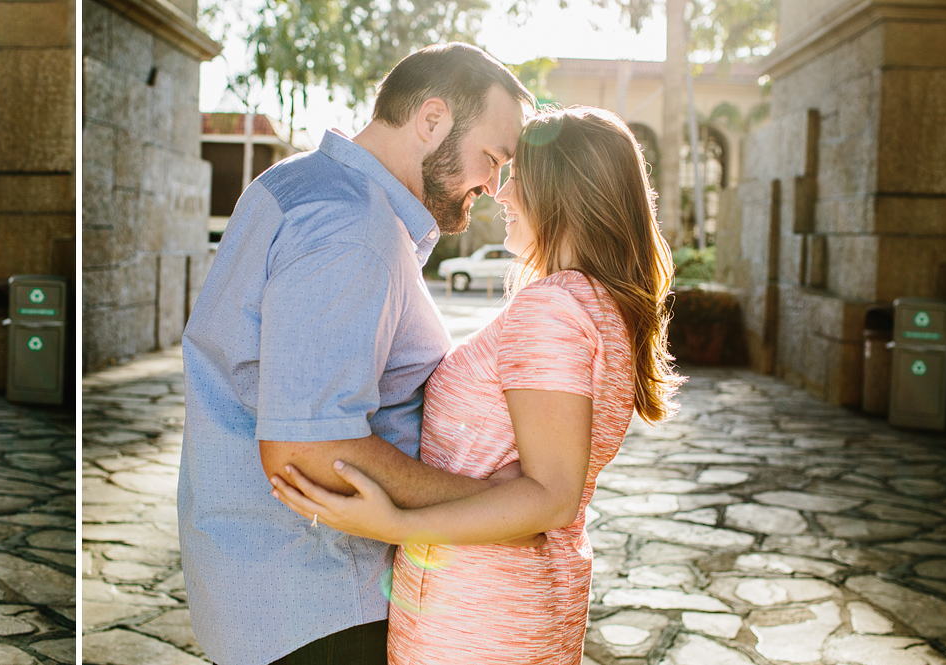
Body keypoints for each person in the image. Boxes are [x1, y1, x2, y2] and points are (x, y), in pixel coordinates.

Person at [269, 106, 682, 663]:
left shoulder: (554, 309)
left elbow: (550, 497)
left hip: (476, 618)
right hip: (515, 606)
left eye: (520, 179)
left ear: (565, 191)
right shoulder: (603, 308)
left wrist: (395, 522)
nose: (502, 195)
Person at [177, 42, 539, 665]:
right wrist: (488, 504)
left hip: (268, 594)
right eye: (492, 157)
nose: (494, 184)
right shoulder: (353, 227)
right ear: (431, 120)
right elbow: (311, 452)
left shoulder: (296, 185)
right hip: (322, 607)